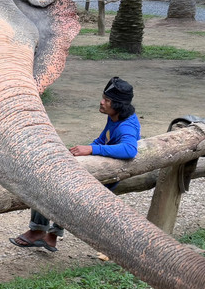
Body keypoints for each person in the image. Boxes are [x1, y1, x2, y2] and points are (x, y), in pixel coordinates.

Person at [10, 77, 140, 253]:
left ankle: (38, 230)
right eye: (103, 98)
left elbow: (130, 149)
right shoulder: (115, 117)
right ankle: (51, 236)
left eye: (107, 100)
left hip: (108, 176)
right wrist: (85, 149)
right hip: (101, 168)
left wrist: (92, 149)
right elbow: (104, 139)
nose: (102, 102)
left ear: (118, 105)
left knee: (47, 181)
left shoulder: (126, 126)